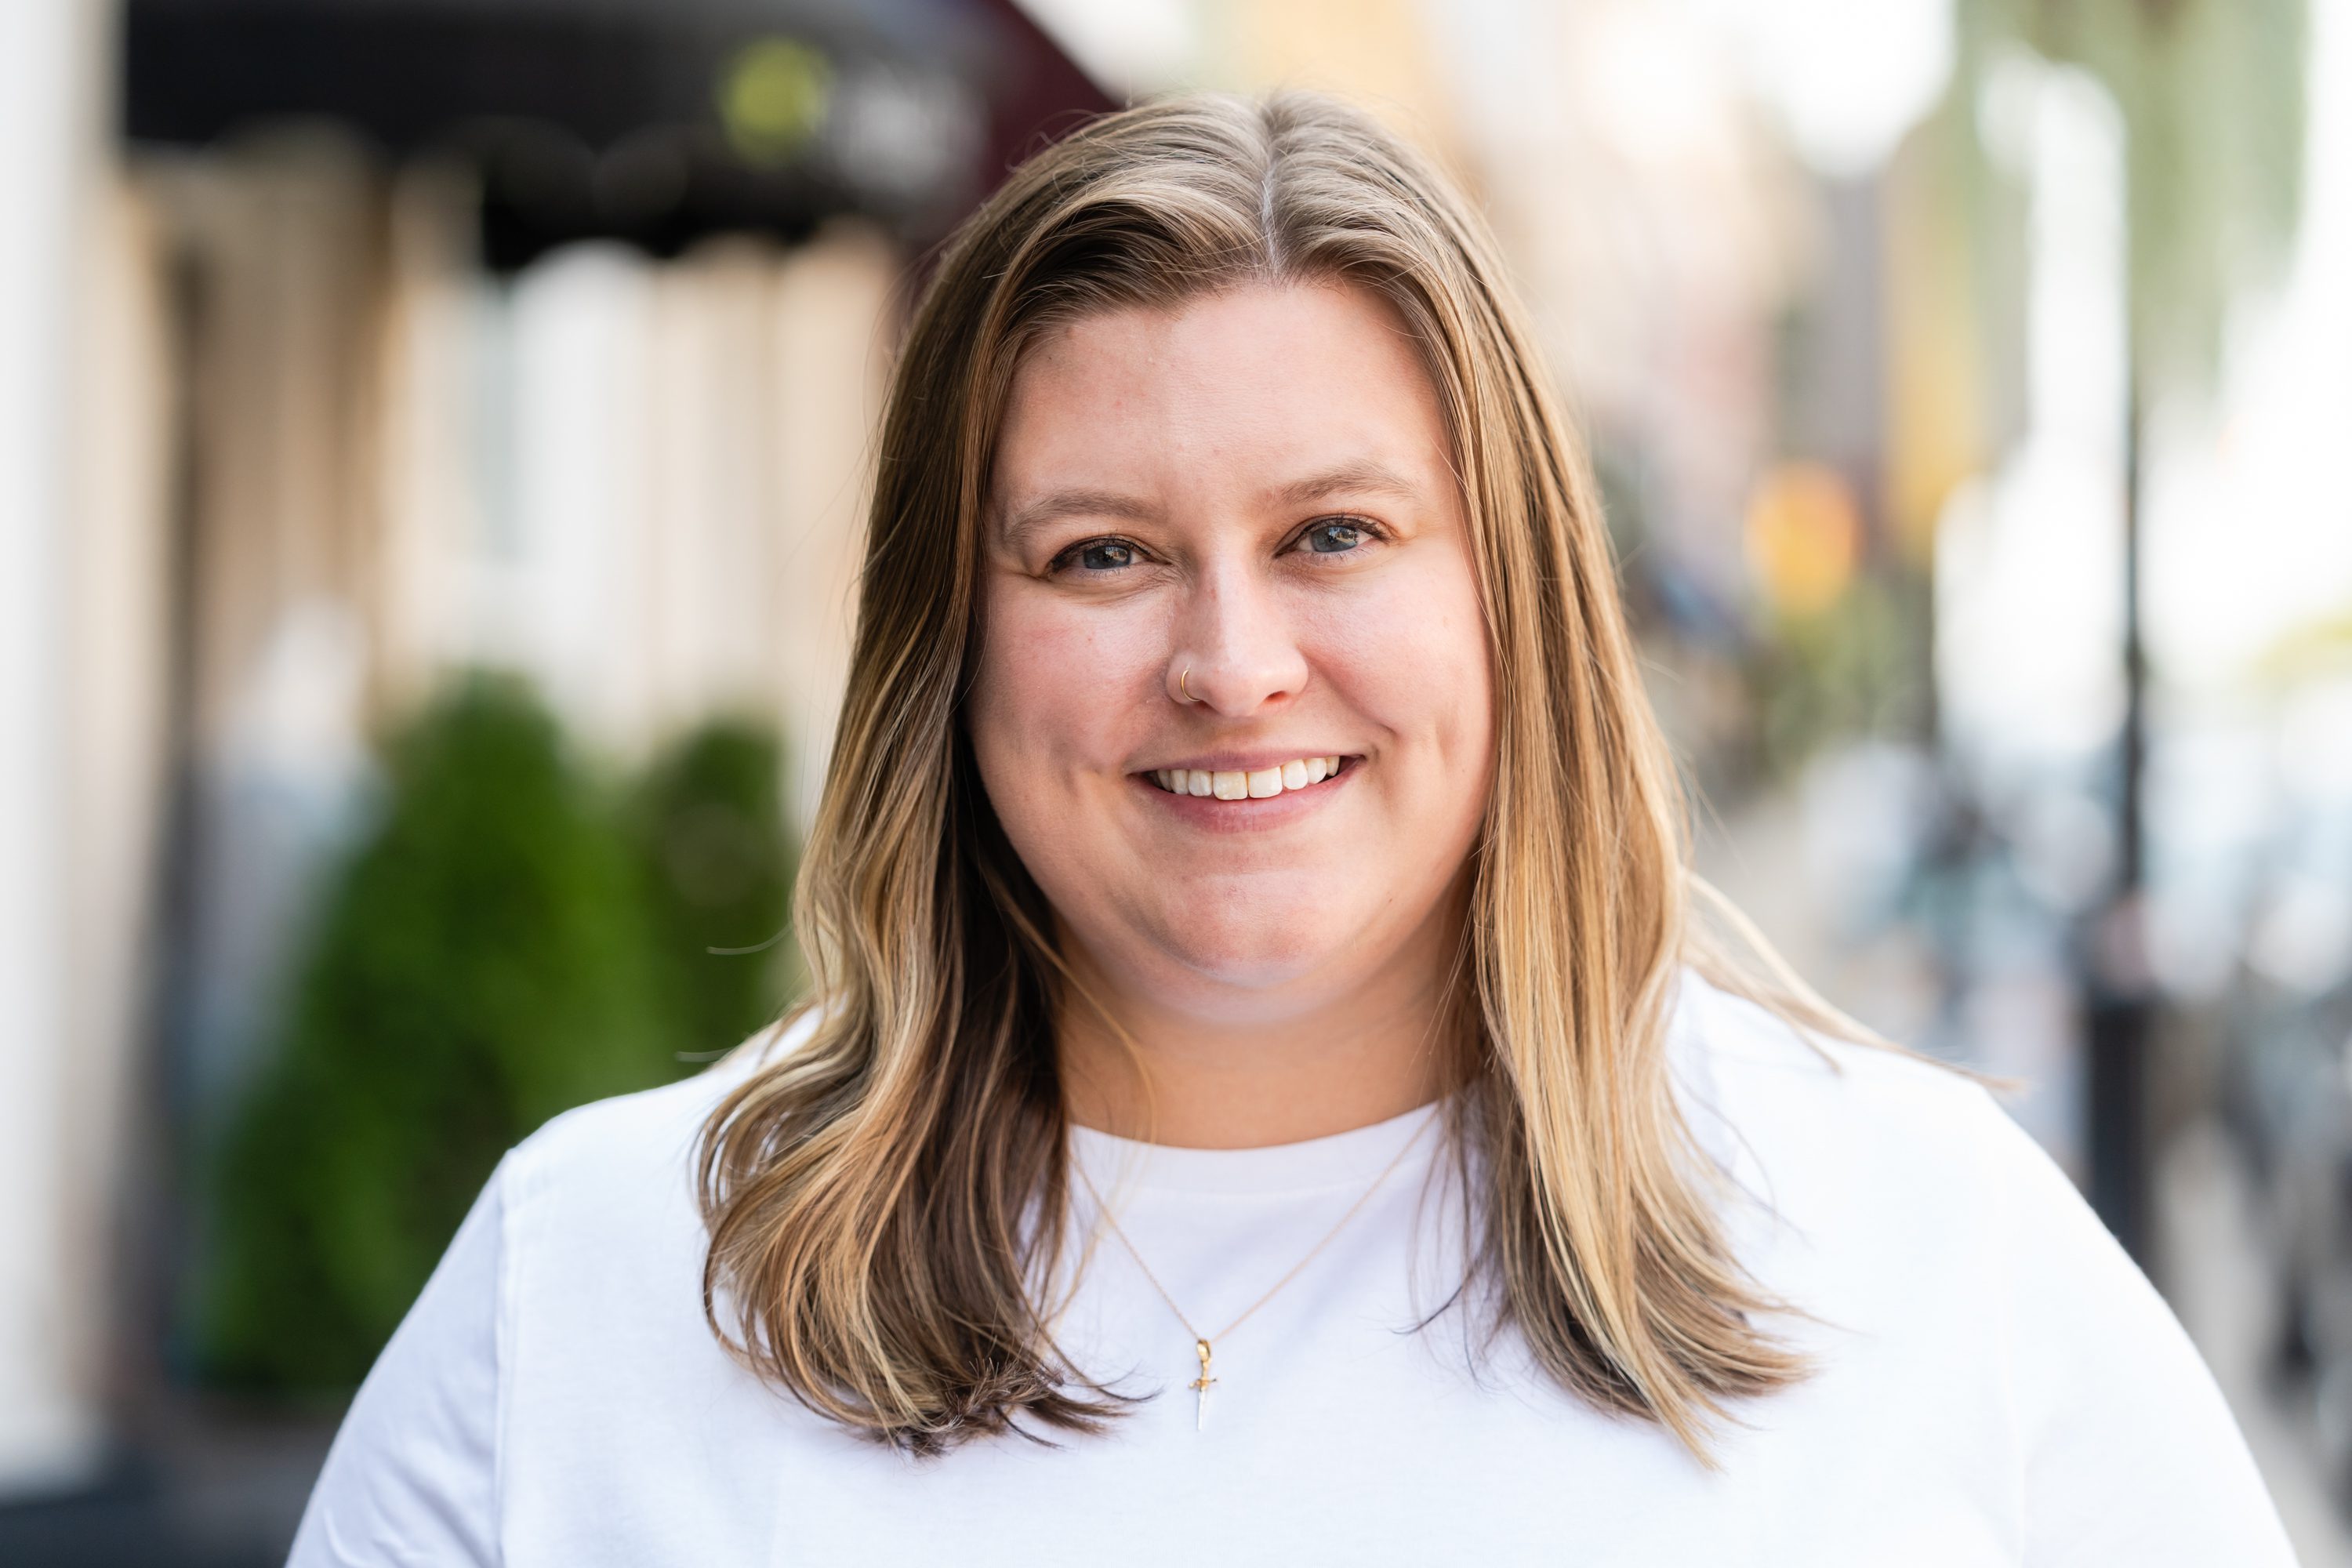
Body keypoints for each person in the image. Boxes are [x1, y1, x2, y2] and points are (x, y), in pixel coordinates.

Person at [289, 91, 2295, 1566]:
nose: (1232, 662)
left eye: (1335, 532)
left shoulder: (1924, 1252)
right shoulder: (603, 1292)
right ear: (949, 647)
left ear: (1509, 593)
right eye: (1101, 553)